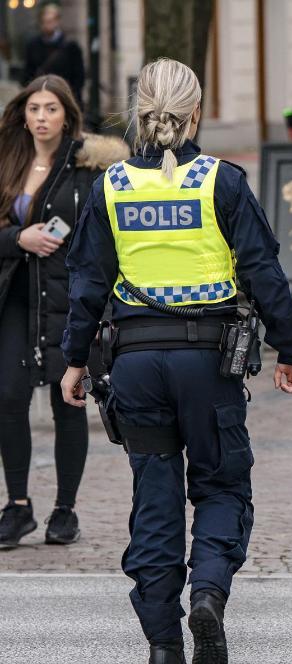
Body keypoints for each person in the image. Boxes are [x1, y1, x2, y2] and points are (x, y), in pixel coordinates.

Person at [58, 58, 292, 664]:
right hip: (209, 359)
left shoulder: (111, 186)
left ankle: (164, 641)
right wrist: (290, 346)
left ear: (140, 112)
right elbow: (262, 270)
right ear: (194, 112)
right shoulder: (221, 181)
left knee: (155, 494)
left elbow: (88, 283)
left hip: (136, 362)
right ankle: (208, 594)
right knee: (222, 484)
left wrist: (74, 360)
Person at [0, 75, 127, 549]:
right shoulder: (7, 160)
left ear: (67, 115)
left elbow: (102, 234)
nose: (41, 118)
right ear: (22, 114)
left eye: (51, 108)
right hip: (16, 296)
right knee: (8, 397)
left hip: (69, 297)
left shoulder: (87, 168)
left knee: (66, 398)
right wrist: (19, 238)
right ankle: (17, 506)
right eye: (34, 108)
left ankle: (64, 510)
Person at [21, 3, 85, 107]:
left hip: (65, 99)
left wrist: (72, 96)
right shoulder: (32, 45)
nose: (47, 25)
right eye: (44, 22)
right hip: (41, 98)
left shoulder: (70, 46)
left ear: (57, 21)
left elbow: (79, 75)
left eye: (50, 21)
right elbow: (27, 72)